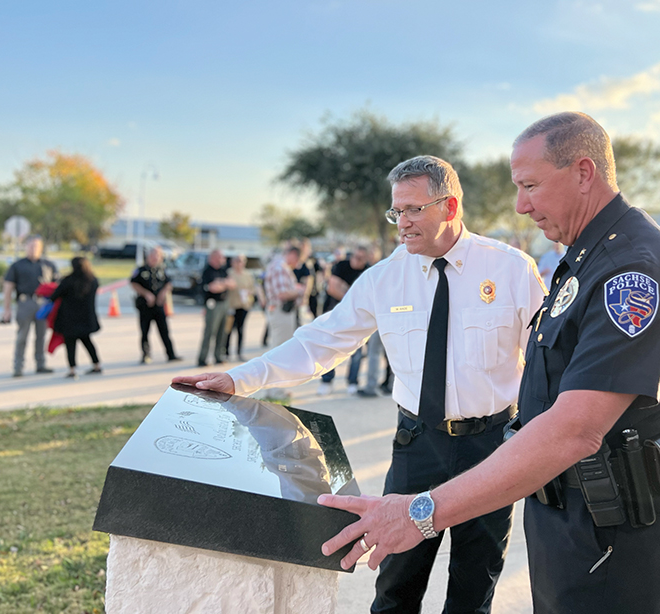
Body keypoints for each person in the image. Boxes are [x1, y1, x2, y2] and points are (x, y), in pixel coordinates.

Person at [312, 112, 660, 613]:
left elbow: (575, 429)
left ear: (584, 172)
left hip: (608, 527)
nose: (521, 206)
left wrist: (423, 511)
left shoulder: (633, 269)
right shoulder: (586, 258)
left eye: (531, 185)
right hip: (570, 513)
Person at [173, 154, 546, 614]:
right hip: (418, 445)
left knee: (475, 584)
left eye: (413, 210)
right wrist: (237, 378)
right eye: (397, 212)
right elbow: (318, 343)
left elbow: (546, 359)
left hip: (490, 448)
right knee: (395, 583)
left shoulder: (511, 269)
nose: (401, 223)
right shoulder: (384, 279)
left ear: (449, 208)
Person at [1, 235, 59, 377]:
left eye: (36, 246)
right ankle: (18, 367)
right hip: (25, 302)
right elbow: (8, 287)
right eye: (31, 246)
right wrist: (6, 309)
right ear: (26, 247)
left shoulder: (48, 265)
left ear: (41, 248)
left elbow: (57, 286)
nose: (33, 249)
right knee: (22, 336)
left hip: (43, 304)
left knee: (41, 336)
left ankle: (40, 364)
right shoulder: (17, 265)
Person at [317, 245, 371, 396]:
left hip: (357, 318)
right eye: (355, 256)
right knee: (329, 349)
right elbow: (332, 288)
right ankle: (327, 381)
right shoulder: (340, 266)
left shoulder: (368, 271)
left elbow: (367, 295)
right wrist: (352, 299)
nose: (357, 260)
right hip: (334, 314)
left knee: (357, 352)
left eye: (360, 258)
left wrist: (345, 290)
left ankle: (352, 382)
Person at [260, 245, 303, 400]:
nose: (297, 264)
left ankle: (275, 389)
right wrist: (299, 291)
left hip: (279, 311)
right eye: (298, 259)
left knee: (278, 350)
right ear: (292, 254)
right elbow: (283, 294)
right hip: (281, 312)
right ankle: (276, 390)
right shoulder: (280, 267)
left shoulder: (277, 265)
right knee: (280, 352)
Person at [50, 257, 102, 378]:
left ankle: (72, 370)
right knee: (88, 342)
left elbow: (54, 296)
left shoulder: (68, 280)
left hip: (69, 318)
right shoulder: (93, 280)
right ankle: (96, 365)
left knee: (70, 344)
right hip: (86, 318)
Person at [130, 246, 180, 364]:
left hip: (159, 306)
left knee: (164, 330)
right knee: (145, 331)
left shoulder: (161, 270)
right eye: (153, 256)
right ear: (148, 257)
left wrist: (163, 293)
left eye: (158, 256)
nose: (155, 258)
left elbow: (168, 283)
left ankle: (171, 354)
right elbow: (133, 283)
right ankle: (145, 355)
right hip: (145, 306)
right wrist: (146, 294)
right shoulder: (141, 270)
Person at [196, 250, 235, 367]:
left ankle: (218, 356)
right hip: (213, 305)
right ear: (213, 258)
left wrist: (221, 283)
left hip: (224, 303)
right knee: (210, 332)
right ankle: (202, 358)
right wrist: (224, 284)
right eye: (220, 257)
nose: (222, 260)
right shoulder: (207, 271)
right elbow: (213, 288)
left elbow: (232, 284)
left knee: (222, 331)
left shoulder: (223, 270)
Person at [225, 254, 258, 362]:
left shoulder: (248, 274)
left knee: (240, 329)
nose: (239, 264)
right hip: (231, 306)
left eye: (242, 261)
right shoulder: (229, 273)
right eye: (237, 261)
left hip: (243, 305)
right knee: (228, 329)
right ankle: (226, 352)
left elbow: (253, 288)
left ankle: (239, 352)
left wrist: (249, 293)